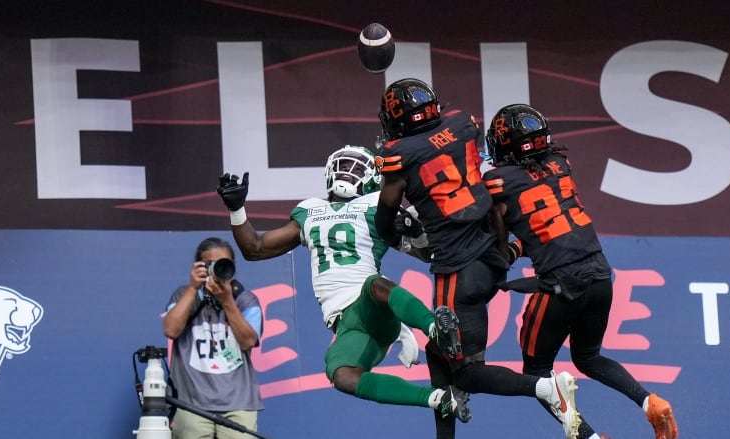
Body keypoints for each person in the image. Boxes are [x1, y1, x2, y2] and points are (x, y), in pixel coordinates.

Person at [374, 77, 581, 439]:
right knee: (439, 351)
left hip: (457, 271)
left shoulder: (399, 155)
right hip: (491, 256)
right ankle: (449, 417)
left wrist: (404, 241)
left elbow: (385, 219)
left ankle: (546, 389)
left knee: (468, 370)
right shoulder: (461, 123)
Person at [215, 145, 472, 424]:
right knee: (341, 375)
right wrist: (237, 210)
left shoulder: (377, 206)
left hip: (372, 304)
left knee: (376, 284)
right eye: (344, 164)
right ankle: (438, 399)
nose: (348, 173)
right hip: (346, 323)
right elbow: (254, 249)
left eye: (358, 167)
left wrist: (417, 233)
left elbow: (428, 253)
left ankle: (436, 329)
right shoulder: (310, 210)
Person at [483, 103, 679, 439]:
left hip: (561, 283)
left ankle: (588, 437)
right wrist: (519, 246)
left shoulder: (496, 182)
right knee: (588, 356)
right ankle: (649, 401)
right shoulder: (560, 163)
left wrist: (505, 248)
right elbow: (550, 224)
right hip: (600, 273)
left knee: (537, 372)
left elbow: (499, 249)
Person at [163, 237, 264, 439]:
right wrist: (193, 288)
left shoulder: (245, 300)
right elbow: (171, 330)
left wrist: (227, 301)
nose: (217, 269)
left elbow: (248, 341)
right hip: (190, 402)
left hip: (239, 402)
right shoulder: (184, 295)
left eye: (223, 263)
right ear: (199, 266)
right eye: (211, 264)